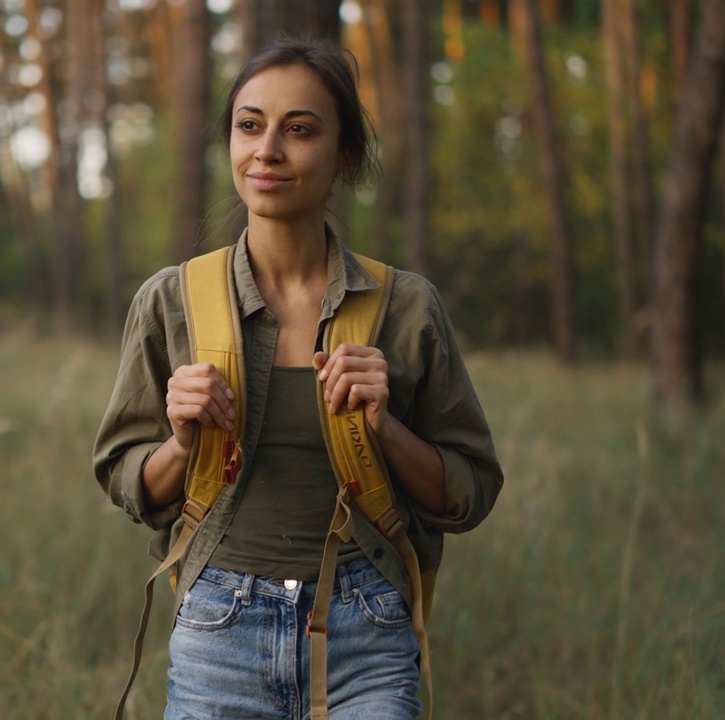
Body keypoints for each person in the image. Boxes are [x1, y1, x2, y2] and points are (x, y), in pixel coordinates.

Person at [93, 34, 503, 719]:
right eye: (249, 125)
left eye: (299, 130)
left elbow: (470, 492)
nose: (268, 150)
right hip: (219, 636)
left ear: (344, 155)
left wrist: (386, 429)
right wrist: (181, 442)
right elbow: (126, 479)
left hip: (366, 632)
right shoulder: (171, 301)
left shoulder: (405, 307)